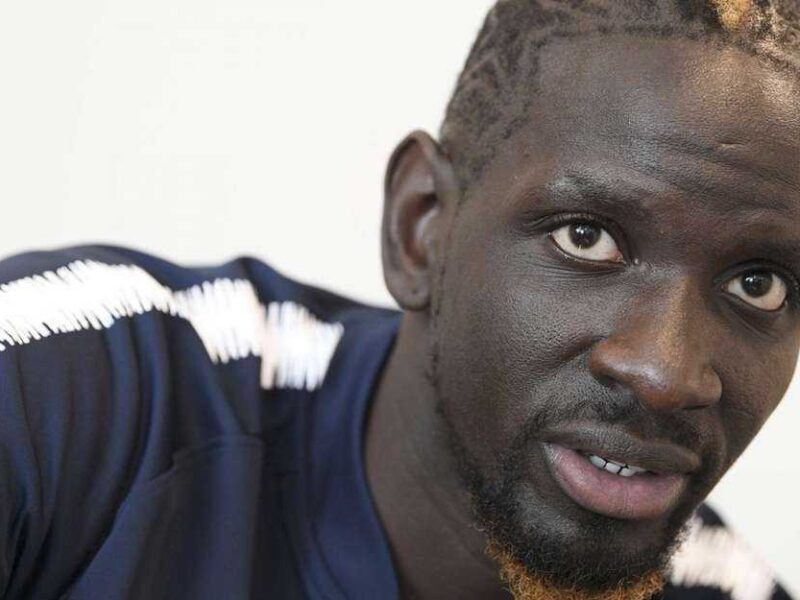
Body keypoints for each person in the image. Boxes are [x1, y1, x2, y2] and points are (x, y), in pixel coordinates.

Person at [0, 0, 798, 598]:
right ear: (421, 228)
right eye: (586, 237)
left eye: (757, 285)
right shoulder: (75, 396)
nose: (666, 373)